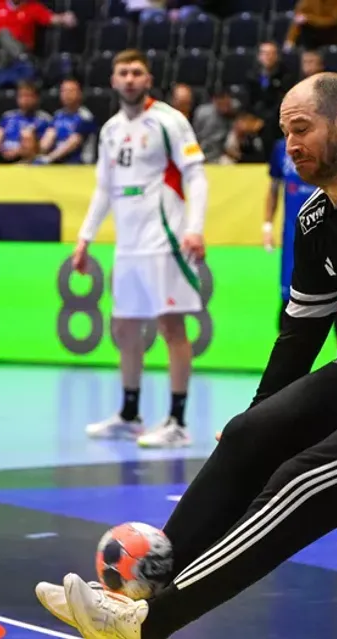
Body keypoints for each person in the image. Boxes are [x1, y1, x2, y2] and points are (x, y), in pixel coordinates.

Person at [35, 72, 337, 638]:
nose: (291, 145)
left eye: (302, 129)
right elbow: (301, 331)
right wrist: (263, 416)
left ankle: (146, 623)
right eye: (285, 132)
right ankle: (131, 592)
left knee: (304, 481)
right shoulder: (316, 219)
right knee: (247, 436)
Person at [76, 50, 208, 448]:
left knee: (171, 326)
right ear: (113, 80)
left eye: (137, 72)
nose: (130, 79)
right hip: (128, 245)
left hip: (165, 238)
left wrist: (195, 228)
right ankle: (130, 414)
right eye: (123, 73)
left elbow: (196, 176)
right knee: (124, 327)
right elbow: (103, 188)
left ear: (148, 79)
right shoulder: (110, 130)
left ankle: (178, 422)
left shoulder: (169, 120)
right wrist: (85, 237)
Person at [265, 135, 337, 354]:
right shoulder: (280, 149)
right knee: (287, 297)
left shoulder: (327, 144)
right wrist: (267, 225)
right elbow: (273, 189)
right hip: (292, 237)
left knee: (335, 296)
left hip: (327, 233)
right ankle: (284, 356)